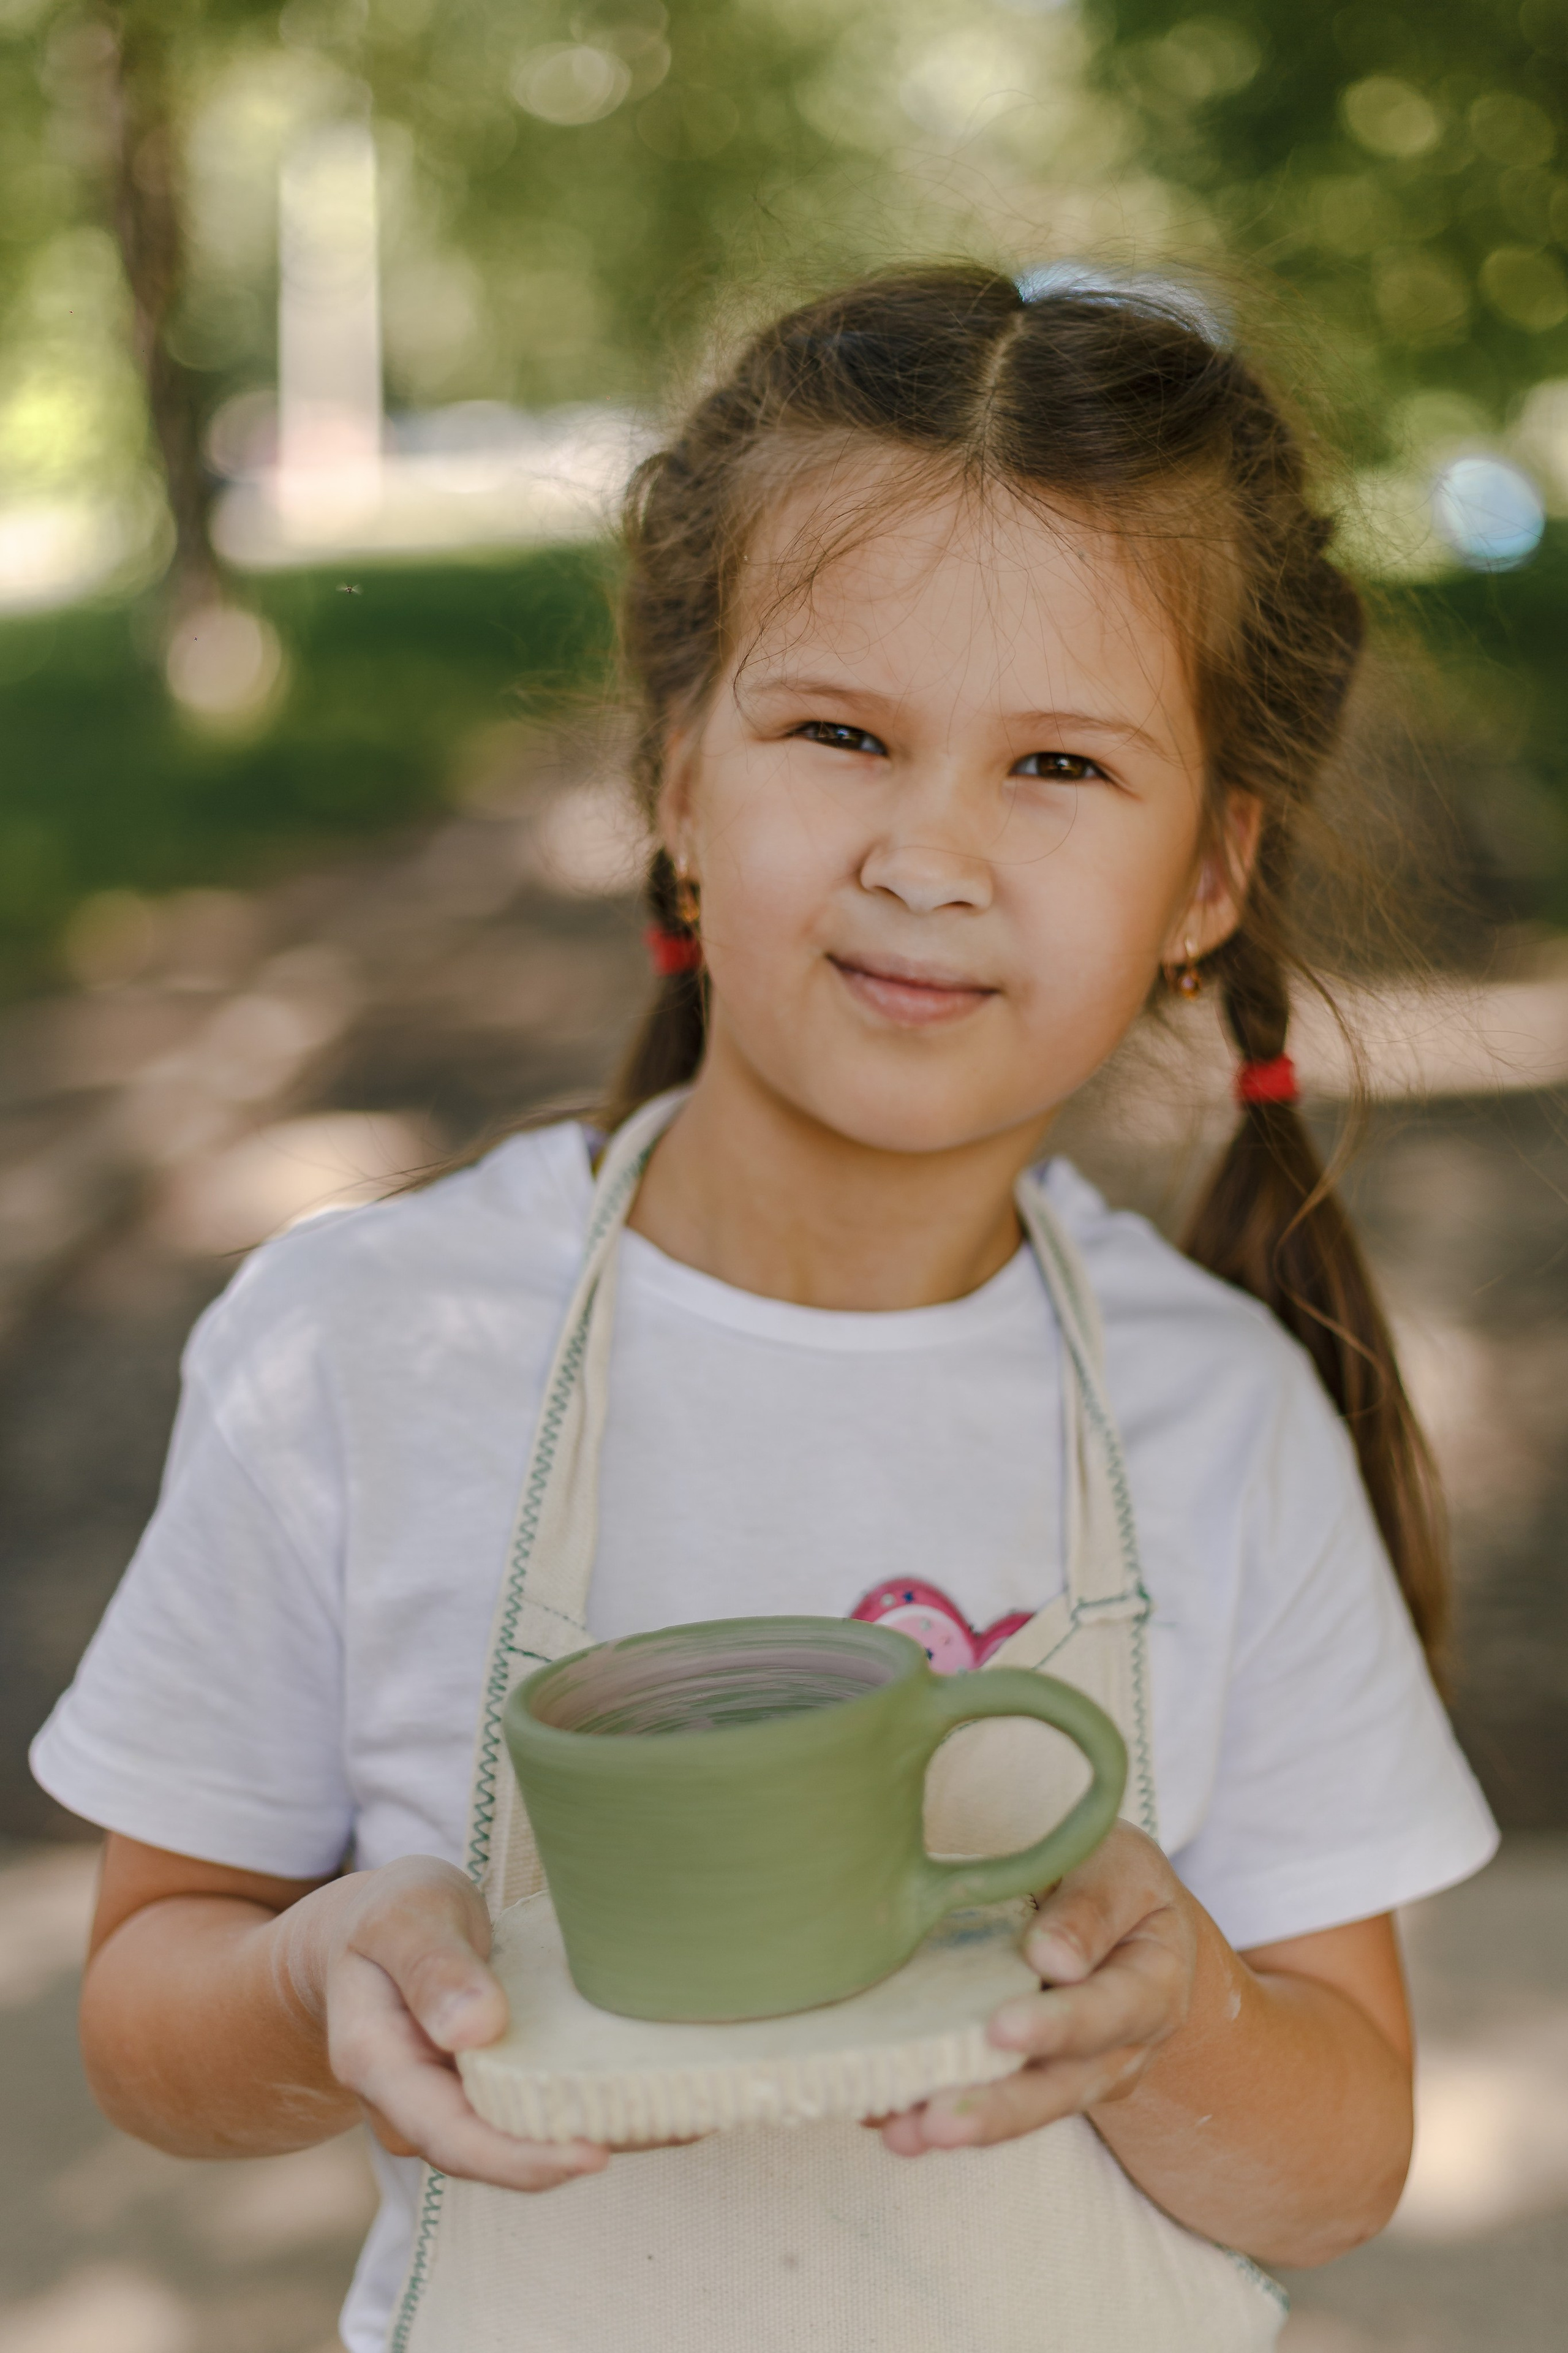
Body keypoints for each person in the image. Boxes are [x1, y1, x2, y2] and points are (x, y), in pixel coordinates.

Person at [33, 267, 1496, 2352]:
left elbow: (1339, 2163)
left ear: (1205, 878)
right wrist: (308, 1980)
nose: (932, 851)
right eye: (839, 734)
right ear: (677, 781)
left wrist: (1182, 2017)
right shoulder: (361, 1349)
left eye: (1059, 765)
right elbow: (148, 2019)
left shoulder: (1224, 1414)